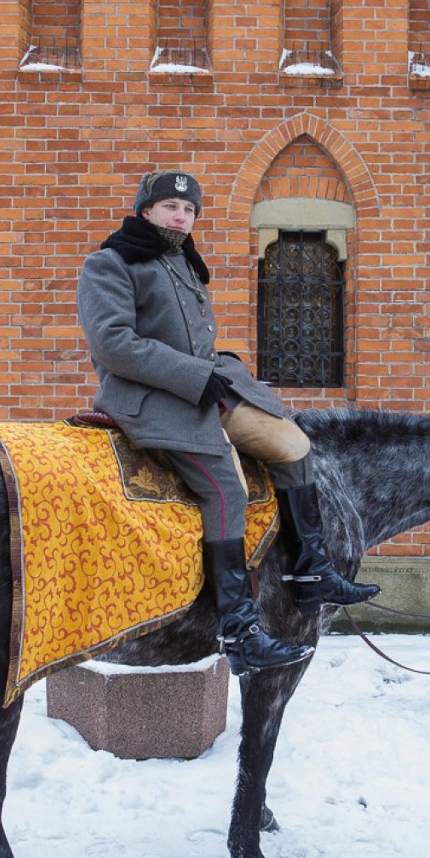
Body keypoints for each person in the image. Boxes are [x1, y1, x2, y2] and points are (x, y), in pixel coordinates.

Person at [77, 169, 379, 676]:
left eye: (189, 209)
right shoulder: (110, 263)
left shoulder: (183, 265)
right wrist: (197, 376)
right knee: (226, 490)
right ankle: (239, 632)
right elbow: (113, 345)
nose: (181, 215)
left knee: (292, 443)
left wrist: (215, 376)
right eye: (170, 207)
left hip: (203, 391)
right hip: (150, 400)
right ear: (146, 211)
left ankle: (311, 570)